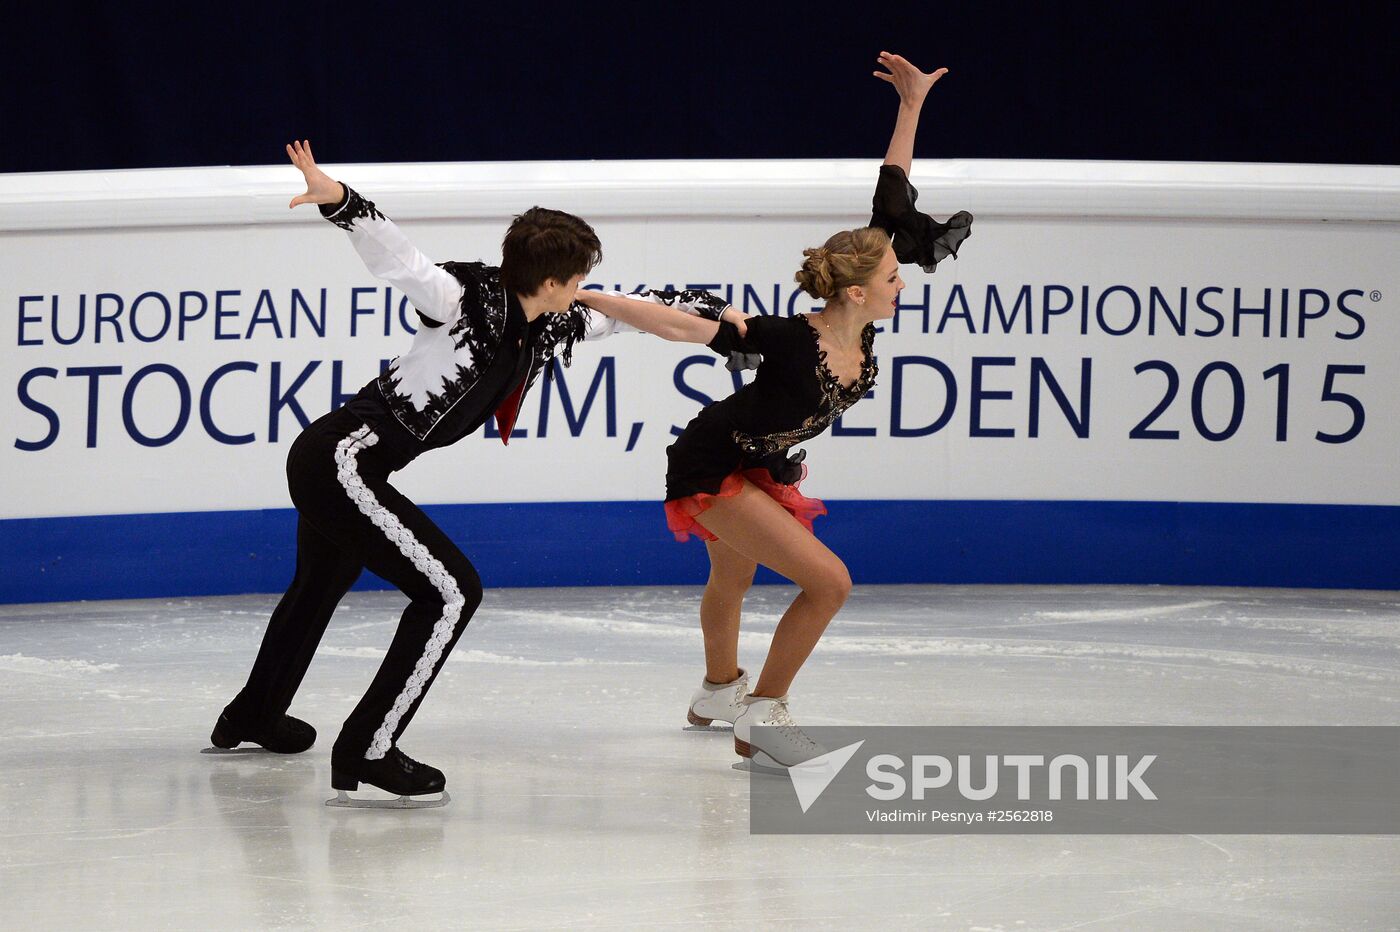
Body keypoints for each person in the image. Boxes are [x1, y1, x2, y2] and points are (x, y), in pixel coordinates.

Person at [209, 141, 743, 807]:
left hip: (341, 460)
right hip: (343, 460)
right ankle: (368, 748)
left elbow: (630, 315)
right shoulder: (464, 300)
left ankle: (254, 714)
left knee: (324, 579)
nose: (581, 292)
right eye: (576, 280)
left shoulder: (549, 325)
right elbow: (401, 261)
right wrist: (340, 202)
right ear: (549, 283)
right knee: (452, 592)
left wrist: (712, 314)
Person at [574, 52, 971, 772]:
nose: (901, 284)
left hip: (759, 460)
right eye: (890, 280)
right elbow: (679, 326)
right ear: (854, 293)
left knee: (732, 577)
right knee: (830, 582)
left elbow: (892, 195)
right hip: (713, 461)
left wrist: (910, 106)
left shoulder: (862, 322)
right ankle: (763, 720)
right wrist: (587, 297)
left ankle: (716, 694)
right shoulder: (790, 338)